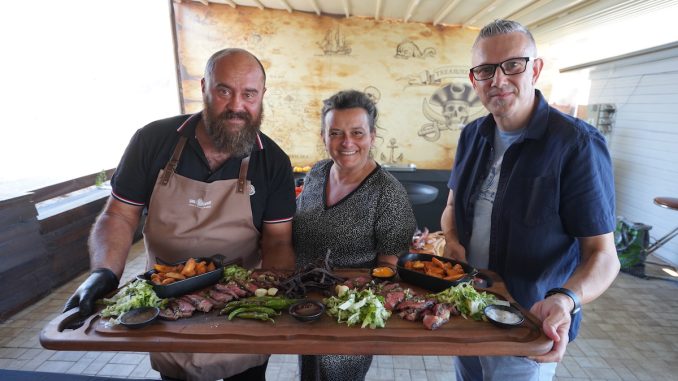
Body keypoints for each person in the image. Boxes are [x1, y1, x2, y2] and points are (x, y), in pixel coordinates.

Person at [64, 48, 296, 381]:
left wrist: (272, 290)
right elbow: (118, 216)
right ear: (204, 87)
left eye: (248, 94)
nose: (236, 106)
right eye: (223, 90)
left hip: (238, 304)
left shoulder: (273, 162)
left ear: (262, 96)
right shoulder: (152, 141)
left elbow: (278, 239)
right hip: (165, 301)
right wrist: (104, 273)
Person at [440, 19, 620, 380]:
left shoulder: (576, 144)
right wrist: (452, 240)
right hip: (467, 311)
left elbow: (603, 256)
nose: (499, 79)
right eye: (486, 70)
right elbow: (450, 207)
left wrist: (564, 299)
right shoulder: (471, 135)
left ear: (535, 69)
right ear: (474, 79)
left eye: (513, 65)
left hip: (526, 322)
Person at [293, 90, 417, 381]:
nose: (346, 142)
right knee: (309, 375)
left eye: (357, 132)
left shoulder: (388, 192)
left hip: (349, 316)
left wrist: (355, 303)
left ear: (372, 136)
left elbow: (390, 264)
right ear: (323, 136)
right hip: (305, 306)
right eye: (335, 132)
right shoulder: (317, 173)